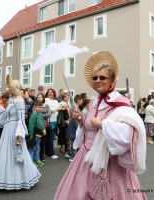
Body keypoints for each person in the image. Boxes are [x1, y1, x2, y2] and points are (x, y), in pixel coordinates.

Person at [54, 51, 146, 200]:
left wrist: (103, 125)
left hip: (109, 162)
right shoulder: (93, 102)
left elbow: (130, 133)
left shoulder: (122, 103)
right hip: (85, 158)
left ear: (112, 80)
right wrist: (80, 121)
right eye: (95, 77)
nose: (97, 80)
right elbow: (89, 129)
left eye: (102, 77)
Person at [0, 75, 40, 190]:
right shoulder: (11, 100)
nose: (9, 89)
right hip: (7, 131)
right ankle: (4, 180)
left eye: (11, 87)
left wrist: (19, 136)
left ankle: (21, 180)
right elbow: (6, 116)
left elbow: (21, 120)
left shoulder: (20, 101)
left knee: (18, 154)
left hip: (15, 131)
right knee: (6, 154)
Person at [45, 88, 64, 159]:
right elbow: (48, 109)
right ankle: (51, 153)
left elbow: (62, 106)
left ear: (54, 93)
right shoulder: (46, 100)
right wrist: (57, 109)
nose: (50, 93)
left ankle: (47, 152)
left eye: (52, 92)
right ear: (47, 93)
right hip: (50, 121)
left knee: (51, 137)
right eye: (49, 92)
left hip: (56, 121)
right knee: (50, 138)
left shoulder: (56, 100)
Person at [28, 101, 46, 167]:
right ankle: (31, 161)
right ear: (35, 107)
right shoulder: (33, 115)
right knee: (32, 147)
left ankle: (37, 160)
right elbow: (31, 126)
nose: (40, 108)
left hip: (40, 134)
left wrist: (44, 129)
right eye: (38, 107)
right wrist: (31, 135)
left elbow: (43, 123)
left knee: (37, 148)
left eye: (41, 107)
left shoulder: (41, 115)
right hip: (34, 134)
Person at [65, 94, 83, 161]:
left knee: (72, 139)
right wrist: (78, 126)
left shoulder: (75, 107)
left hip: (73, 124)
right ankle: (72, 156)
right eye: (81, 100)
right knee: (74, 139)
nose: (82, 102)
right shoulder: (74, 107)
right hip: (73, 124)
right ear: (78, 100)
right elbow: (75, 118)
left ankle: (68, 153)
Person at [35, 92, 51, 162]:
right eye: (38, 97)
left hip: (45, 125)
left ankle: (41, 156)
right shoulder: (34, 105)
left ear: (43, 98)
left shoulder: (47, 105)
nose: (39, 98)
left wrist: (40, 113)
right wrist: (44, 112)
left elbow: (49, 114)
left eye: (40, 97)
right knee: (37, 142)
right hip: (37, 126)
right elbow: (34, 113)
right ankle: (36, 157)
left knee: (43, 142)